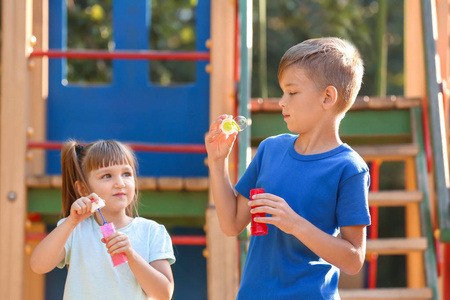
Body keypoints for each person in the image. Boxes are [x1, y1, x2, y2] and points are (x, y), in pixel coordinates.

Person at [205, 37, 370, 299]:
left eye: (292, 92)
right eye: (282, 92)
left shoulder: (349, 168)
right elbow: (232, 224)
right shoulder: (270, 150)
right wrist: (218, 162)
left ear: (327, 97)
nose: (282, 101)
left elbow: (353, 260)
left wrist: (294, 224)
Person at [30, 140, 175, 300]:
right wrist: (71, 222)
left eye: (126, 174)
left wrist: (131, 255)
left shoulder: (152, 231)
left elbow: (164, 294)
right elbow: (38, 265)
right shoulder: (73, 228)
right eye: (107, 176)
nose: (120, 183)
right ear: (83, 189)